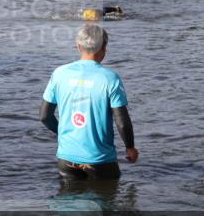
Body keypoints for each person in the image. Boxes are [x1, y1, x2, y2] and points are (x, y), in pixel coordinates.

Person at [40, 24, 138, 180]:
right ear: (104, 48)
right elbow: (122, 122)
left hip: (67, 158)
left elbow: (45, 116)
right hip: (100, 160)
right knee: (109, 200)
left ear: (78, 47)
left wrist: (64, 133)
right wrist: (130, 148)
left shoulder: (59, 73)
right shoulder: (110, 78)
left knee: (68, 201)